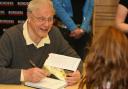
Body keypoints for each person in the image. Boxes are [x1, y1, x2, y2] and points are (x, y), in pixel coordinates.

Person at [0, 0, 82, 85]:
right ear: (29, 17)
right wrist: (25, 75)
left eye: (50, 19)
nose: (46, 24)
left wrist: (78, 73)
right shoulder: (11, 36)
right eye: (41, 19)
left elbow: (76, 60)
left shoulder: (54, 33)